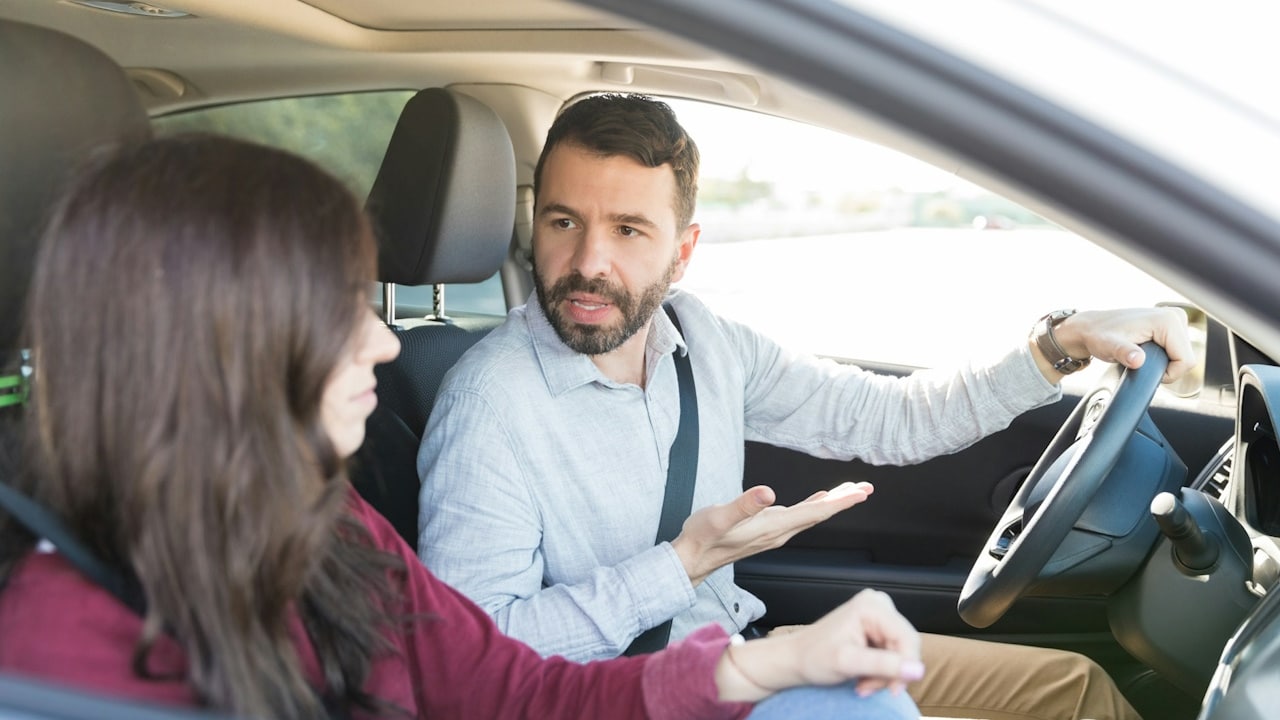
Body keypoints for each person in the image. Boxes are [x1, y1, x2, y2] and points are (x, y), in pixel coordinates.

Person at [0, 134, 927, 720]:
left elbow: (509, 691)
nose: (380, 341)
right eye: (334, 308)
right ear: (217, 345)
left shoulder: (326, 527)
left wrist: (767, 667)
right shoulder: (52, 662)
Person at [417, 93, 1196, 720]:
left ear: (682, 251)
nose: (589, 262)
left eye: (628, 230)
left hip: (744, 656)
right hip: (635, 701)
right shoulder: (489, 404)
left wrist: (1061, 344)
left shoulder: (706, 343)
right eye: (564, 222)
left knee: (1077, 691)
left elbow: (895, 418)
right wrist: (679, 567)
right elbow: (473, 667)